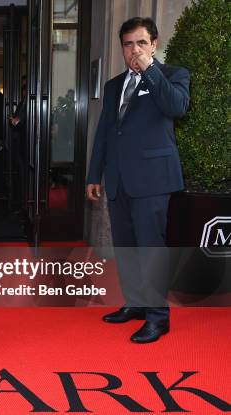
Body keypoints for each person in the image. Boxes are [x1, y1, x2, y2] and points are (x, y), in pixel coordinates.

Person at [86, 17, 190, 343]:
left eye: (142, 43)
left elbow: (177, 107)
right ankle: (135, 304)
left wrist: (150, 70)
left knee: (150, 249)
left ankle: (158, 317)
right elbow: (105, 132)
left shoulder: (172, 76)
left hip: (153, 181)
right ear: (121, 48)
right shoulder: (114, 85)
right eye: (129, 44)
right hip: (118, 180)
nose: (135, 49)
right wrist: (94, 173)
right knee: (127, 249)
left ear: (154, 44)